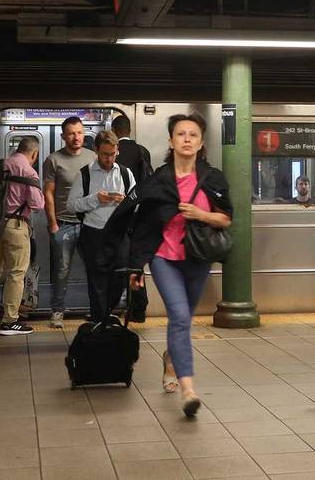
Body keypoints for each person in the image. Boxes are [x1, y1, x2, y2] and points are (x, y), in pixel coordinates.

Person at [104, 112, 231, 419]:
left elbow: (226, 218)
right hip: (164, 258)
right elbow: (143, 227)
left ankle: (170, 359)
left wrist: (200, 215)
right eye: (181, 134)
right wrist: (136, 268)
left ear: (201, 143)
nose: (187, 139)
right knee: (178, 316)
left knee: (183, 320)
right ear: (171, 141)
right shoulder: (157, 181)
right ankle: (189, 390)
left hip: (197, 259)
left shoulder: (212, 179)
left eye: (193, 135)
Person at [0, 136, 44, 335]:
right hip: (16, 225)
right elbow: (37, 204)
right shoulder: (28, 171)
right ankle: (9, 321)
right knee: (16, 273)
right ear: (34, 154)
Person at [66, 131, 135, 324]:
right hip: (94, 234)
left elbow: (138, 202)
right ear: (96, 150)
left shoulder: (125, 173)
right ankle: (99, 321)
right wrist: (95, 199)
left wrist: (126, 202)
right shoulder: (85, 174)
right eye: (105, 154)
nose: (108, 158)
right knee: (97, 282)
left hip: (119, 235)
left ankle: (105, 314)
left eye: (112, 154)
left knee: (120, 279)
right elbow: (71, 205)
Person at [42, 116, 93, 328]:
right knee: (61, 270)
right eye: (71, 133)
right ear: (63, 136)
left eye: (79, 132)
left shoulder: (93, 158)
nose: (76, 137)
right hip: (63, 223)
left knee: (94, 267)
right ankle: (57, 311)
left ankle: (97, 309)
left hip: (89, 223)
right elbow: (49, 193)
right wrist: (52, 222)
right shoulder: (54, 160)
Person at [111, 115, 151, 322]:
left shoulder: (115, 154)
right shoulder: (142, 151)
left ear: (114, 131)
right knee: (135, 264)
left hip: (123, 217)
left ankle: (115, 306)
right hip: (141, 217)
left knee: (120, 263)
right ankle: (138, 308)